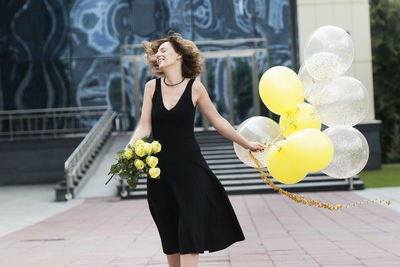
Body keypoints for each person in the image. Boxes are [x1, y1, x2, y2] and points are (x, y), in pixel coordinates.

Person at [125, 31, 265, 267]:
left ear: (179, 55)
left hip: (190, 171)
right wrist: (129, 150)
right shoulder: (151, 88)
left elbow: (218, 121)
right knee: (169, 233)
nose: (158, 55)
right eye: (157, 52)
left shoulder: (195, 88)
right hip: (160, 172)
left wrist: (246, 143)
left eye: (164, 51)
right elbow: (144, 126)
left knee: (190, 230)